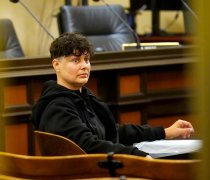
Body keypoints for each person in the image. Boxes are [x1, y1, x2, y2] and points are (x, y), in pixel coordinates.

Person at [31, 32, 194, 158]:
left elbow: (112, 132)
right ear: (56, 65)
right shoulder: (57, 107)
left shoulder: (84, 97)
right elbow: (89, 146)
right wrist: (137, 156)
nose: (84, 66)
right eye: (76, 60)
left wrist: (165, 132)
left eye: (86, 60)